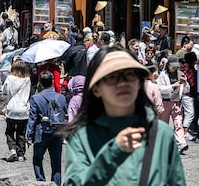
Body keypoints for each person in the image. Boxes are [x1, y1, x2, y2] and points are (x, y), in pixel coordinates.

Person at [62, 46, 185, 185]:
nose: (122, 83)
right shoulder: (81, 136)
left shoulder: (161, 133)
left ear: (139, 83)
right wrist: (113, 152)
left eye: (129, 75)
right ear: (96, 89)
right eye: (112, 77)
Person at [26, 70, 67, 186]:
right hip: (57, 133)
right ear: (53, 81)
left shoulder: (35, 98)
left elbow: (32, 118)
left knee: (37, 159)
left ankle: (41, 182)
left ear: (40, 82)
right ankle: (57, 183)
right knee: (56, 162)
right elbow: (64, 114)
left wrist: (29, 136)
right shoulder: (61, 98)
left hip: (41, 133)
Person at [156, 54, 189, 153]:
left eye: (176, 65)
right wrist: (172, 86)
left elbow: (186, 90)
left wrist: (185, 83)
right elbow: (160, 88)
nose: (174, 67)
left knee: (178, 123)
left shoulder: (181, 74)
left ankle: (181, 143)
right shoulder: (162, 75)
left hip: (177, 102)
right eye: (172, 65)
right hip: (165, 101)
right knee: (164, 124)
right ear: (168, 64)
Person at [2, 60, 31, 162]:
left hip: (12, 109)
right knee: (21, 133)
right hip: (23, 110)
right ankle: (21, 155)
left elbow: (4, 91)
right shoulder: (27, 80)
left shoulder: (10, 78)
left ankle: (13, 149)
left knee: (9, 131)